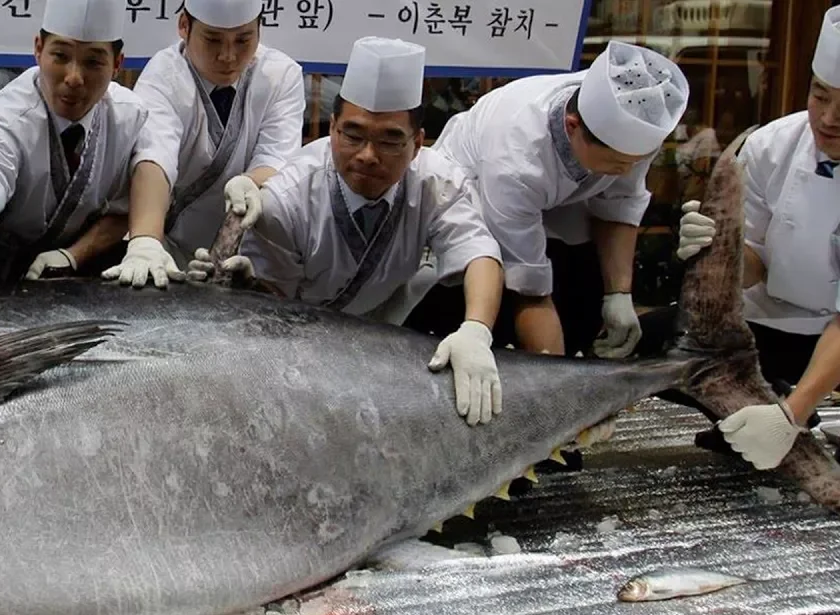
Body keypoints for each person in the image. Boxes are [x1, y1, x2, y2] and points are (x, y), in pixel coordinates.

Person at [191, 37, 506, 426]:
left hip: (389, 323)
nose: (367, 155)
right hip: (301, 338)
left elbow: (478, 252)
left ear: (418, 143)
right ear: (333, 129)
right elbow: (275, 304)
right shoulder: (288, 197)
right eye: (353, 135)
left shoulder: (436, 181)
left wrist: (476, 331)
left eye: (390, 139)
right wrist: (251, 289)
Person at [0, 0, 165, 402]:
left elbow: (129, 201)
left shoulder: (130, 116)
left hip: (66, 278)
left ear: (117, 65)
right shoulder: (10, 119)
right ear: (38, 49)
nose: (74, 78)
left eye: (94, 63)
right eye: (60, 56)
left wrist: (75, 255)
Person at [419, 41, 690, 360]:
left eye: (637, 160)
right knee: (497, 310)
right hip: (474, 190)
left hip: (563, 194)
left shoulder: (628, 115)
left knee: (583, 297)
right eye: (618, 162)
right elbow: (530, 289)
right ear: (572, 126)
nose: (628, 170)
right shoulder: (516, 157)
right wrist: (559, 381)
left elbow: (619, 203)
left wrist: (619, 295)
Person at [658, 7, 840, 470]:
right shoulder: (772, 146)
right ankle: (754, 411)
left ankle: (790, 409)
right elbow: (754, 259)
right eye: (820, 95)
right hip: (774, 319)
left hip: (833, 330)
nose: (830, 118)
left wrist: (789, 415)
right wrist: (716, 253)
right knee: (662, 346)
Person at [119, 0, 305, 276]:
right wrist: (145, 241)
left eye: (243, 40)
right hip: (168, 248)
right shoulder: (164, 75)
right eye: (213, 40)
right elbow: (155, 157)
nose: (228, 56)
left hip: (246, 253)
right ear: (184, 26)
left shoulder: (281, 76)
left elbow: (278, 156)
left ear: (259, 31)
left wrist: (250, 182)